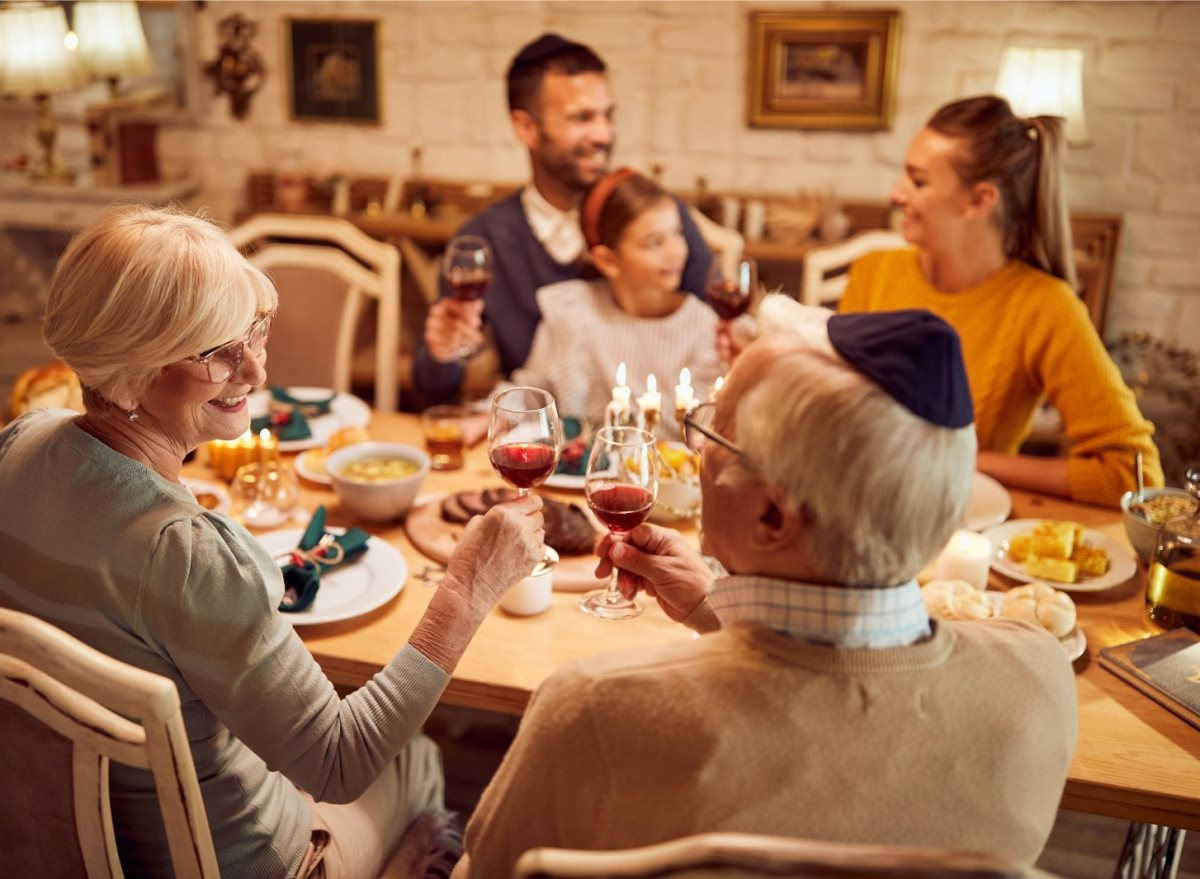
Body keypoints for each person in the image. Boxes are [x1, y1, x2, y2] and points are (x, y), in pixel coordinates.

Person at [0, 205, 545, 879]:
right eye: (217, 353)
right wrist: (468, 588)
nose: (254, 372)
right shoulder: (184, 550)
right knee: (417, 757)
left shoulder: (22, 442)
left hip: (64, 847)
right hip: (242, 862)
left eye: (254, 333)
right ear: (132, 367)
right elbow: (339, 761)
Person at [454, 308, 1077, 877]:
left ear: (773, 519)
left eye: (711, 434)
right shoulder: (1040, 677)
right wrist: (712, 608)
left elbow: (485, 871)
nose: (695, 452)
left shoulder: (594, 708)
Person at [838, 94, 1161, 507]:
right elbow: (838, 401)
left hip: (954, 523)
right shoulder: (874, 271)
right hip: (854, 502)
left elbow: (1133, 472)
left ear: (979, 200)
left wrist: (968, 459)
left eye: (918, 182)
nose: (896, 194)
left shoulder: (1045, 306)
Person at [412, 33, 712, 406]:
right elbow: (433, 391)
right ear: (526, 128)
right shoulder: (484, 239)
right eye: (582, 118)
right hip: (543, 445)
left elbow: (710, 337)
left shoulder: (659, 223)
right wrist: (441, 352)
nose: (604, 134)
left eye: (608, 114)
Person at [509, 168, 722, 436]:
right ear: (607, 261)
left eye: (677, 233)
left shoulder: (707, 329)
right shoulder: (573, 310)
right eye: (654, 242)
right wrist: (487, 417)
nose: (675, 251)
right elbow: (530, 396)